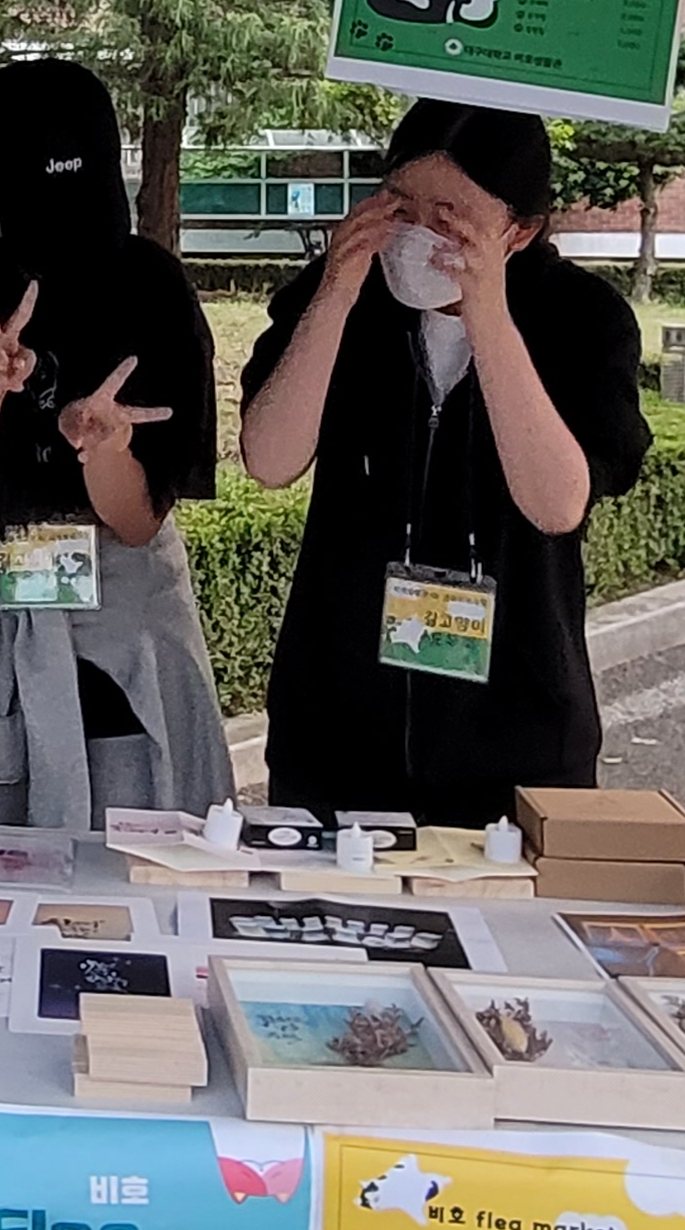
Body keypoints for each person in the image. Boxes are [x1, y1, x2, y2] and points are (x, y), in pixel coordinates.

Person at [236, 100, 650, 825]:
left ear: (521, 230)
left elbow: (557, 502)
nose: (420, 234)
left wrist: (488, 314)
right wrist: (335, 293)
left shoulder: (581, 317)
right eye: (402, 207)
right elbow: (269, 459)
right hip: (336, 729)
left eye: (452, 219)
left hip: (515, 735)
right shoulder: (340, 295)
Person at [0, 59, 234, 829]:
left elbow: (137, 522)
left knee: (130, 853)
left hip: (115, 635)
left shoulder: (150, 284)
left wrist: (107, 451)